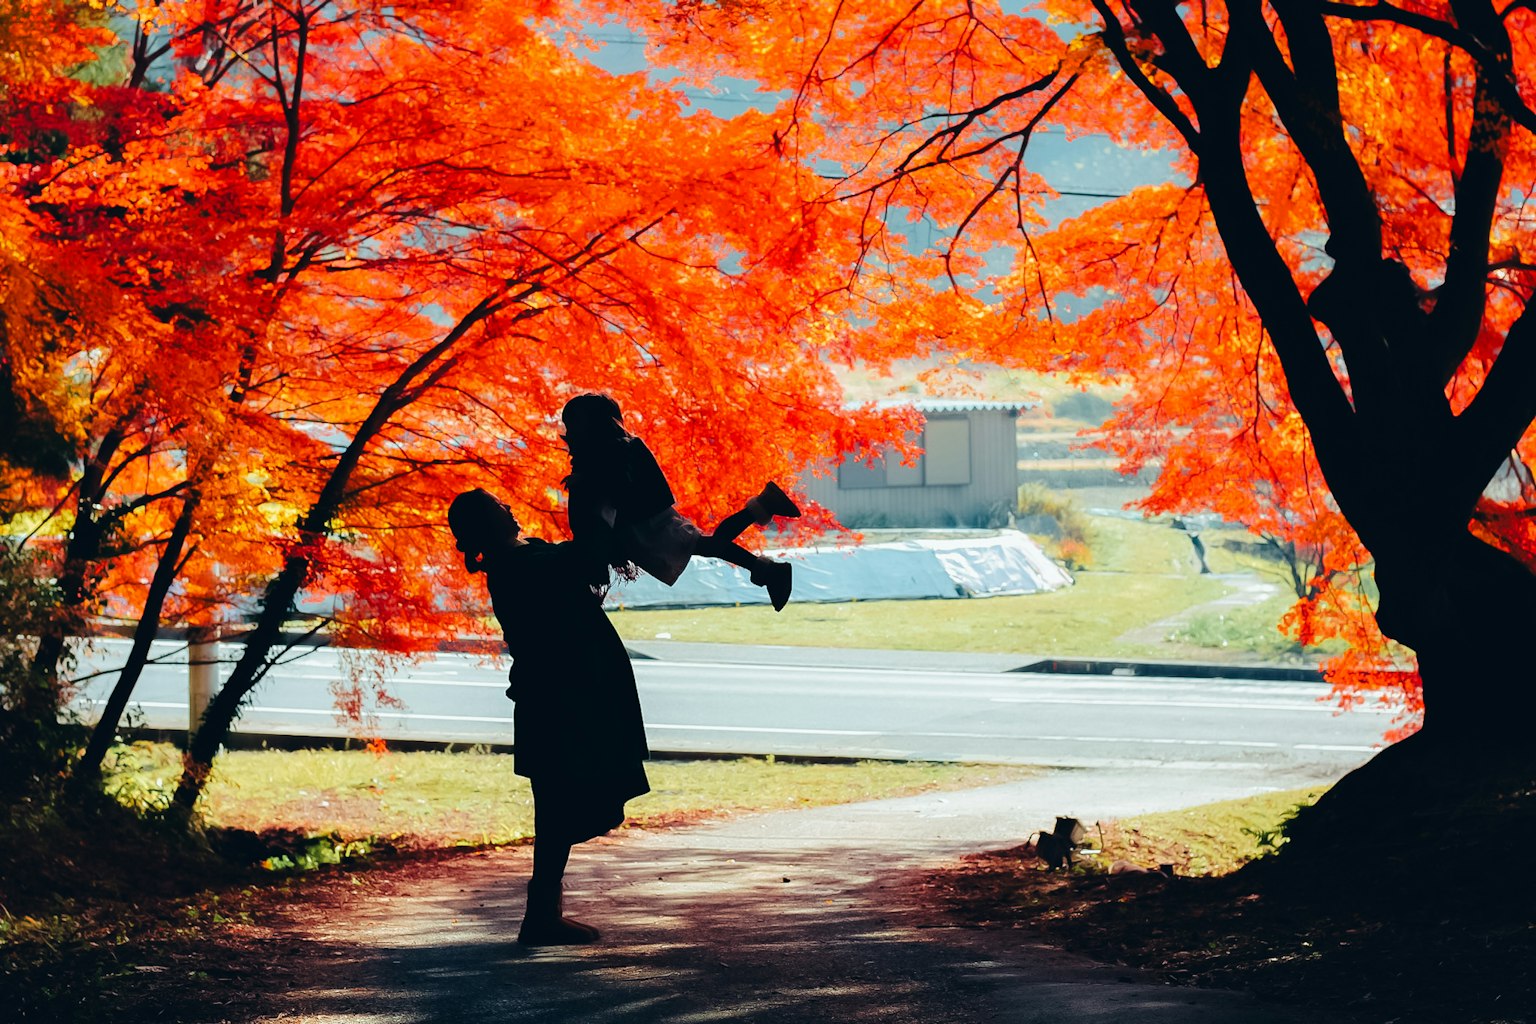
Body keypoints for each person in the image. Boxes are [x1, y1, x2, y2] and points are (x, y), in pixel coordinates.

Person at [448, 488, 650, 946]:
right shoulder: (520, 565)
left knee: (556, 803)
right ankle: (540, 915)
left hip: (563, 693)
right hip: (564, 696)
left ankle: (542, 913)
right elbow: (583, 557)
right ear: (489, 524)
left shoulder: (524, 559)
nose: (509, 506)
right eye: (498, 507)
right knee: (559, 803)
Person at [560, 392, 802, 610]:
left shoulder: (614, 454)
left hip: (646, 525)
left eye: (573, 426)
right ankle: (766, 562)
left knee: (709, 545)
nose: (569, 433)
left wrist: (587, 482)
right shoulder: (618, 450)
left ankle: (765, 523)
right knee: (708, 545)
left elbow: (617, 491)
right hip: (648, 521)